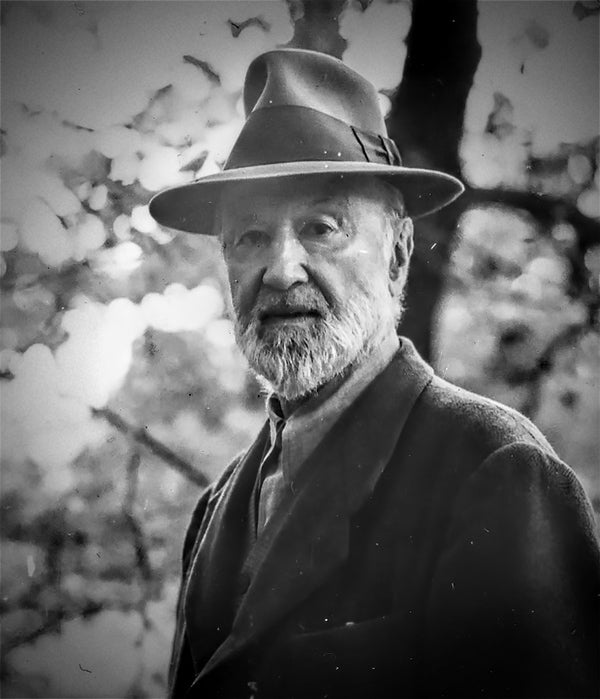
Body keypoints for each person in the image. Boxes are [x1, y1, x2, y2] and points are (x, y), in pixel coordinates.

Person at [150, 49, 599, 699]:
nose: (281, 269)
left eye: (321, 227)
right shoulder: (214, 510)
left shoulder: (495, 467)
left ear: (398, 253)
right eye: (248, 237)